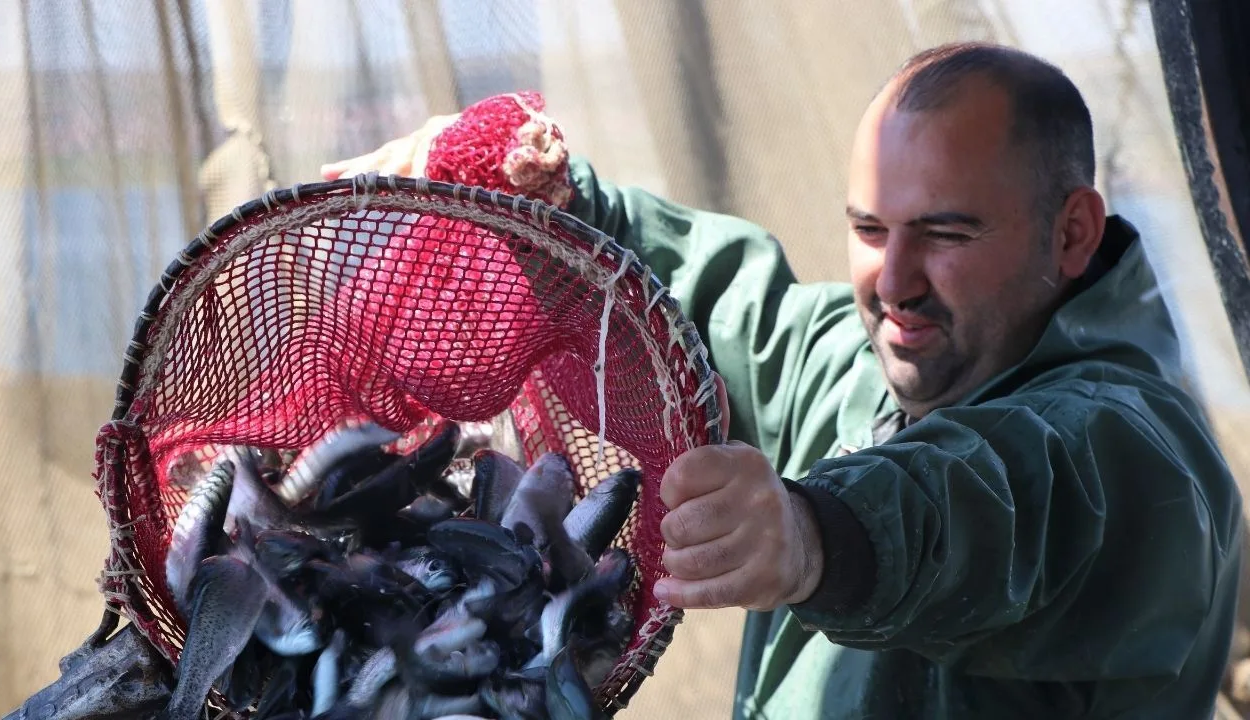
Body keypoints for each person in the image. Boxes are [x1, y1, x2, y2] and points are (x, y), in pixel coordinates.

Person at [323, 42, 1243, 720]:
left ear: (1074, 233)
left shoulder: (1140, 455)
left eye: (948, 234)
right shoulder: (856, 360)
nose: (895, 281)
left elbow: (988, 500)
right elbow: (723, 302)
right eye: (871, 231)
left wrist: (814, 536)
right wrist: (558, 201)